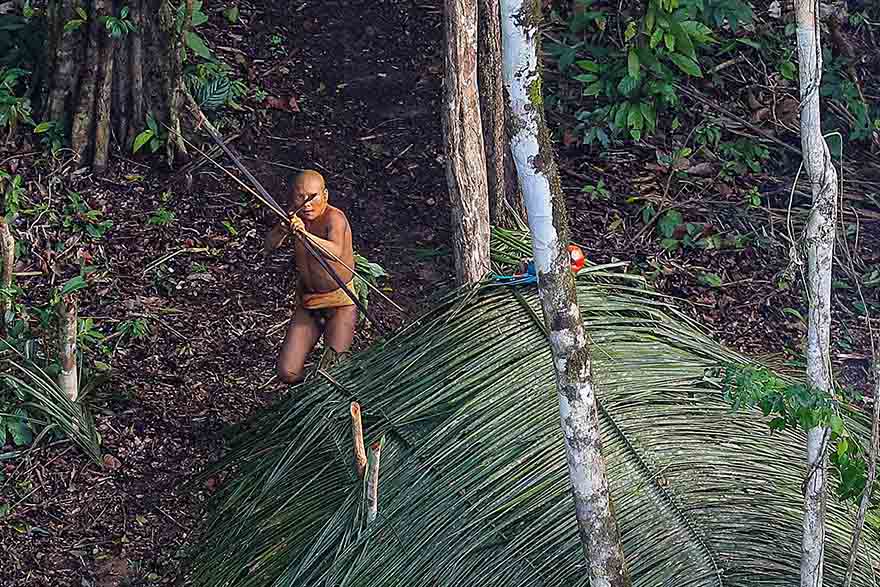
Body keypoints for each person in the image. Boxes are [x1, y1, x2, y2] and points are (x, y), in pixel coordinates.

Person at [264, 170, 357, 384]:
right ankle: (303, 396)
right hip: (309, 301)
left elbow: (335, 251)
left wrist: (304, 234)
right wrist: (281, 230)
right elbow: (268, 246)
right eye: (300, 196)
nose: (306, 204)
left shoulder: (335, 218)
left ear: (325, 195)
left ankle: (325, 404)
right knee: (288, 371)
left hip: (339, 303)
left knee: (333, 373)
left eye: (312, 197)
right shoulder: (294, 217)